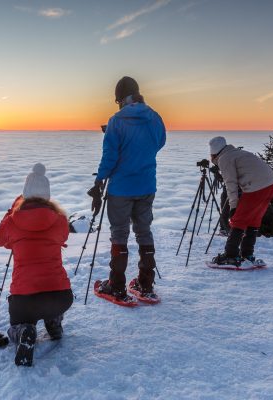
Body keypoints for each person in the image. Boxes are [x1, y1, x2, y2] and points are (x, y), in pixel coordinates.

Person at [89, 76, 166, 301]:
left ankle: (117, 286)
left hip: (121, 188)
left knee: (119, 234)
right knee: (144, 231)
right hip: (147, 184)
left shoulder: (117, 121)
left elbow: (110, 155)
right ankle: (145, 284)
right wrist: (140, 153)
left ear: (120, 98)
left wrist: (99, 180)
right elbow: (160, 142)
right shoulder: (154, 117)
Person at [0, 163, 73, 367]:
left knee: (17, 324)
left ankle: (23, 331)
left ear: (24, 193)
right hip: (60, 297)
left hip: (25, 301)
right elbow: (63, 237)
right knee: (51, 301)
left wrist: (12, 210)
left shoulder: (12, 222)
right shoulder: (60, 220)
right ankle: (53, 321)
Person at [208, 136, 273, 266]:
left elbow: (231, 184)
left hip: (256, 187)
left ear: (214, 153)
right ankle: (247, 254)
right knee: (254, 219)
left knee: (238, 220)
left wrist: (233, 206)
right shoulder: (237, 153)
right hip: (271, 185)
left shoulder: (224, 158)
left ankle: (231, 255)